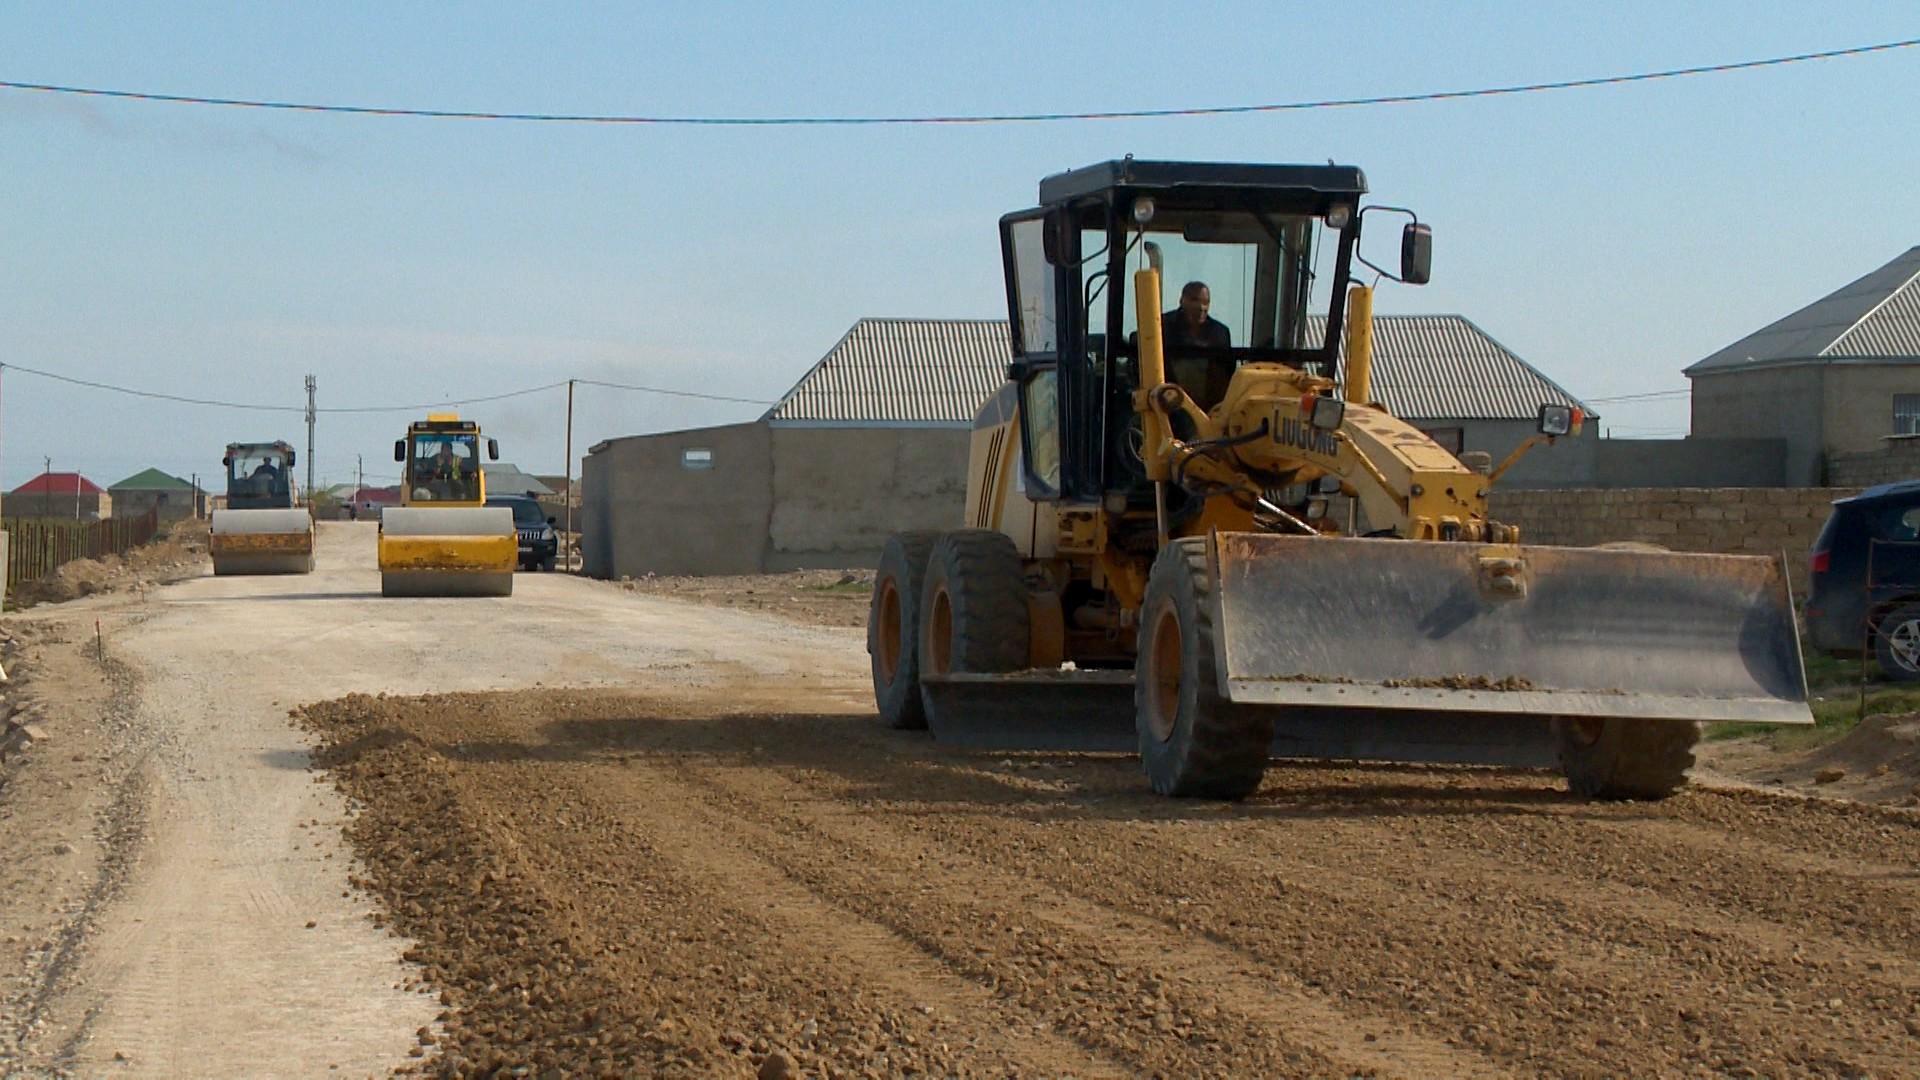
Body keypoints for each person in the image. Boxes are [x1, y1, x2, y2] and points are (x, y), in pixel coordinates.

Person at [1161, 281, 1233, 406]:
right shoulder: (1162, 326)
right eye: (1195, 300)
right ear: (1182, 301)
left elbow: (1227, 371)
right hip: (1167, 403)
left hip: (1210, 408)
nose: (1201, 307)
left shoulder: (1220, 333)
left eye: (1206, 303)